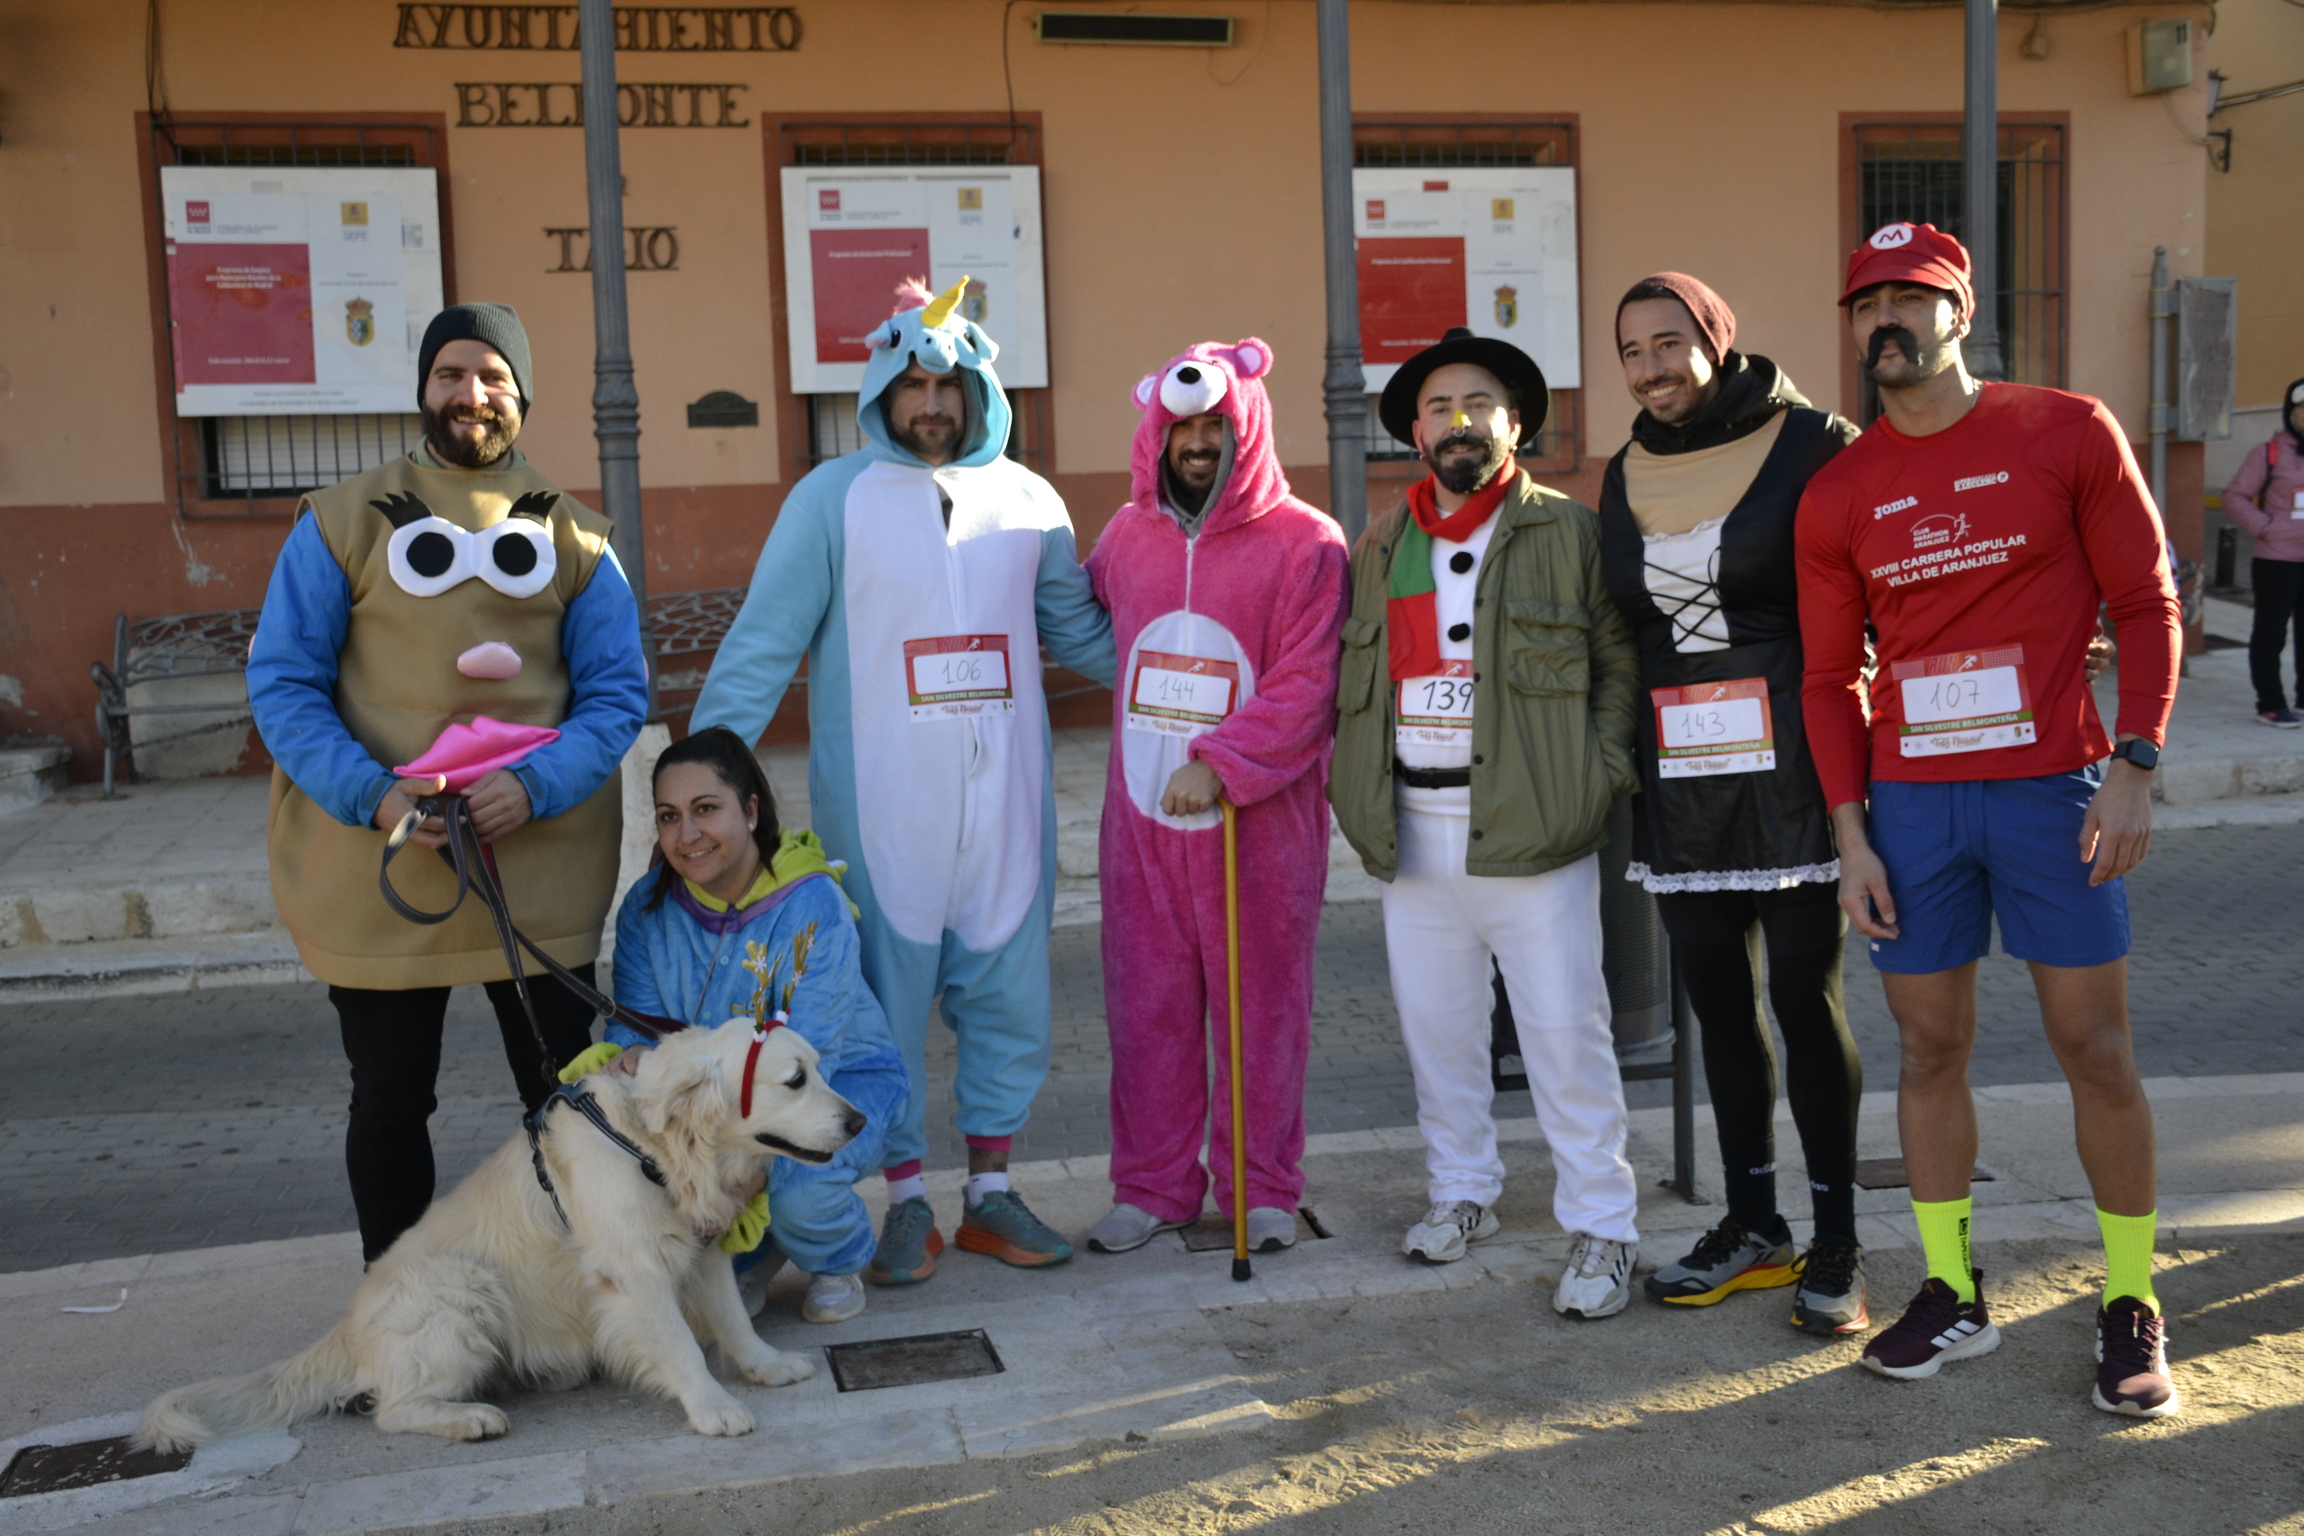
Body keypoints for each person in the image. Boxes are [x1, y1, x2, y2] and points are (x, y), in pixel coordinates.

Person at [1795, 223, 2184, 1415]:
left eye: (1909, 298)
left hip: (2053, 789)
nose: (1884, 320)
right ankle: (1953, 1289)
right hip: (1912, 807)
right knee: (1927, 1050)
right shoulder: (1839, 489)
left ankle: (2130, 1298)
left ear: (1961, 311)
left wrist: (2136, 761)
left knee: (2094, 1046)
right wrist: (1851, 836)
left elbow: (2146, 600)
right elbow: (1828, 679)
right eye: (1865, 304)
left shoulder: (2066, 430)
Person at [691, 279, 1115, 1284]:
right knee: (878, 1013)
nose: (931, 404)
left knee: (1011, 1001)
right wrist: (702, 783)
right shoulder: (829, 500)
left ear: (977, 391)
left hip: (1007, 812)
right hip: (883, 814)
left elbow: (1084, 634)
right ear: (882, 391)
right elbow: (763, 645)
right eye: (912, 386)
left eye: (948, 386)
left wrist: (1206, 670)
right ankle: (908, 1199)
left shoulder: (1030, 501)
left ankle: (993, 1193)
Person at [246, 303, 647, 1264]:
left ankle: (584, 1290)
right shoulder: (340, 521)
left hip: (537, 866)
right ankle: (397, 1302)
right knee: (390, 1100)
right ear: (424, 388)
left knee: (565, 1096)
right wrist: (375, 795)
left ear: (524, 394)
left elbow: (616, 694)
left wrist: (536, 785)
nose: (472, 394)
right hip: (384, 865)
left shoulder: (579, 537)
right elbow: (284, 682)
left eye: (493, 376)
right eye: (451, 374)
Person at [1329, 326, 1646, 1320]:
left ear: (1514, 423)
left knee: (1565, 1032)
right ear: (1414, 432)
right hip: (1415, 831)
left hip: (1533, 830)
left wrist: (1597, 774)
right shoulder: (1383, 544)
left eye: (1478, 404)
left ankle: (1604, 1223)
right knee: (1439, 1031)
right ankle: (1462, 1189)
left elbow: (1616, 661)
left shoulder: (1570, 531)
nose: (1458, 421)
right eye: (1438, 407)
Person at [1597, 274, 1870, 1332]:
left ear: (1716, 339)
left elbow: (1886, 578)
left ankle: (1838, 1238)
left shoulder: (1814, 443)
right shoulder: (1622, 471)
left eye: (1670, 343)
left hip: (1795, 764)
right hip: (1682, 776)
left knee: (1805, 1001)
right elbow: (1622, 627)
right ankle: (1755, 1225)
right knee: (1717, 1006)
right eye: (1632, 351)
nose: (1652, 368)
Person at [1081, 339, 1349, 1256]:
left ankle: (1260, 1187)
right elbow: (1086, 624)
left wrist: (1222, 762)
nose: (1197, 443)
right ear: (1155, 433)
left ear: (1248, 428)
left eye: (1215, 426)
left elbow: (1310, 684)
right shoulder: (1125, 538)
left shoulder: (1307, 543)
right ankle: (1152, 1186)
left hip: (1258, 829)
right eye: (1181, 427)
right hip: (1142, 828)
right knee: (1146, 1010)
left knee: (1261, 1012)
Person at [584, 727, 910, 1326]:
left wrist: (738, 1176)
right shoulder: (646, 908)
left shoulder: (813, 903)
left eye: (706, 809)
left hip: (835, 1084)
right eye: (669, 816)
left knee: (797, 1194)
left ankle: (835, 1257)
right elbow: (636, 1027)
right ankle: (756, 1254)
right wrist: (630, 1057)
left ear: (751, 810)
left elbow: (814, 1052)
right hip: (718, 1098)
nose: (686, 835)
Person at [2221, 376, 2304, 727]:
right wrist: (2267, 528)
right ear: (2291, 413)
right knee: (2271, 633)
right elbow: (2234, 497)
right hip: (2277, 560)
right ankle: (2270, 703)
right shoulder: (2268, 453)